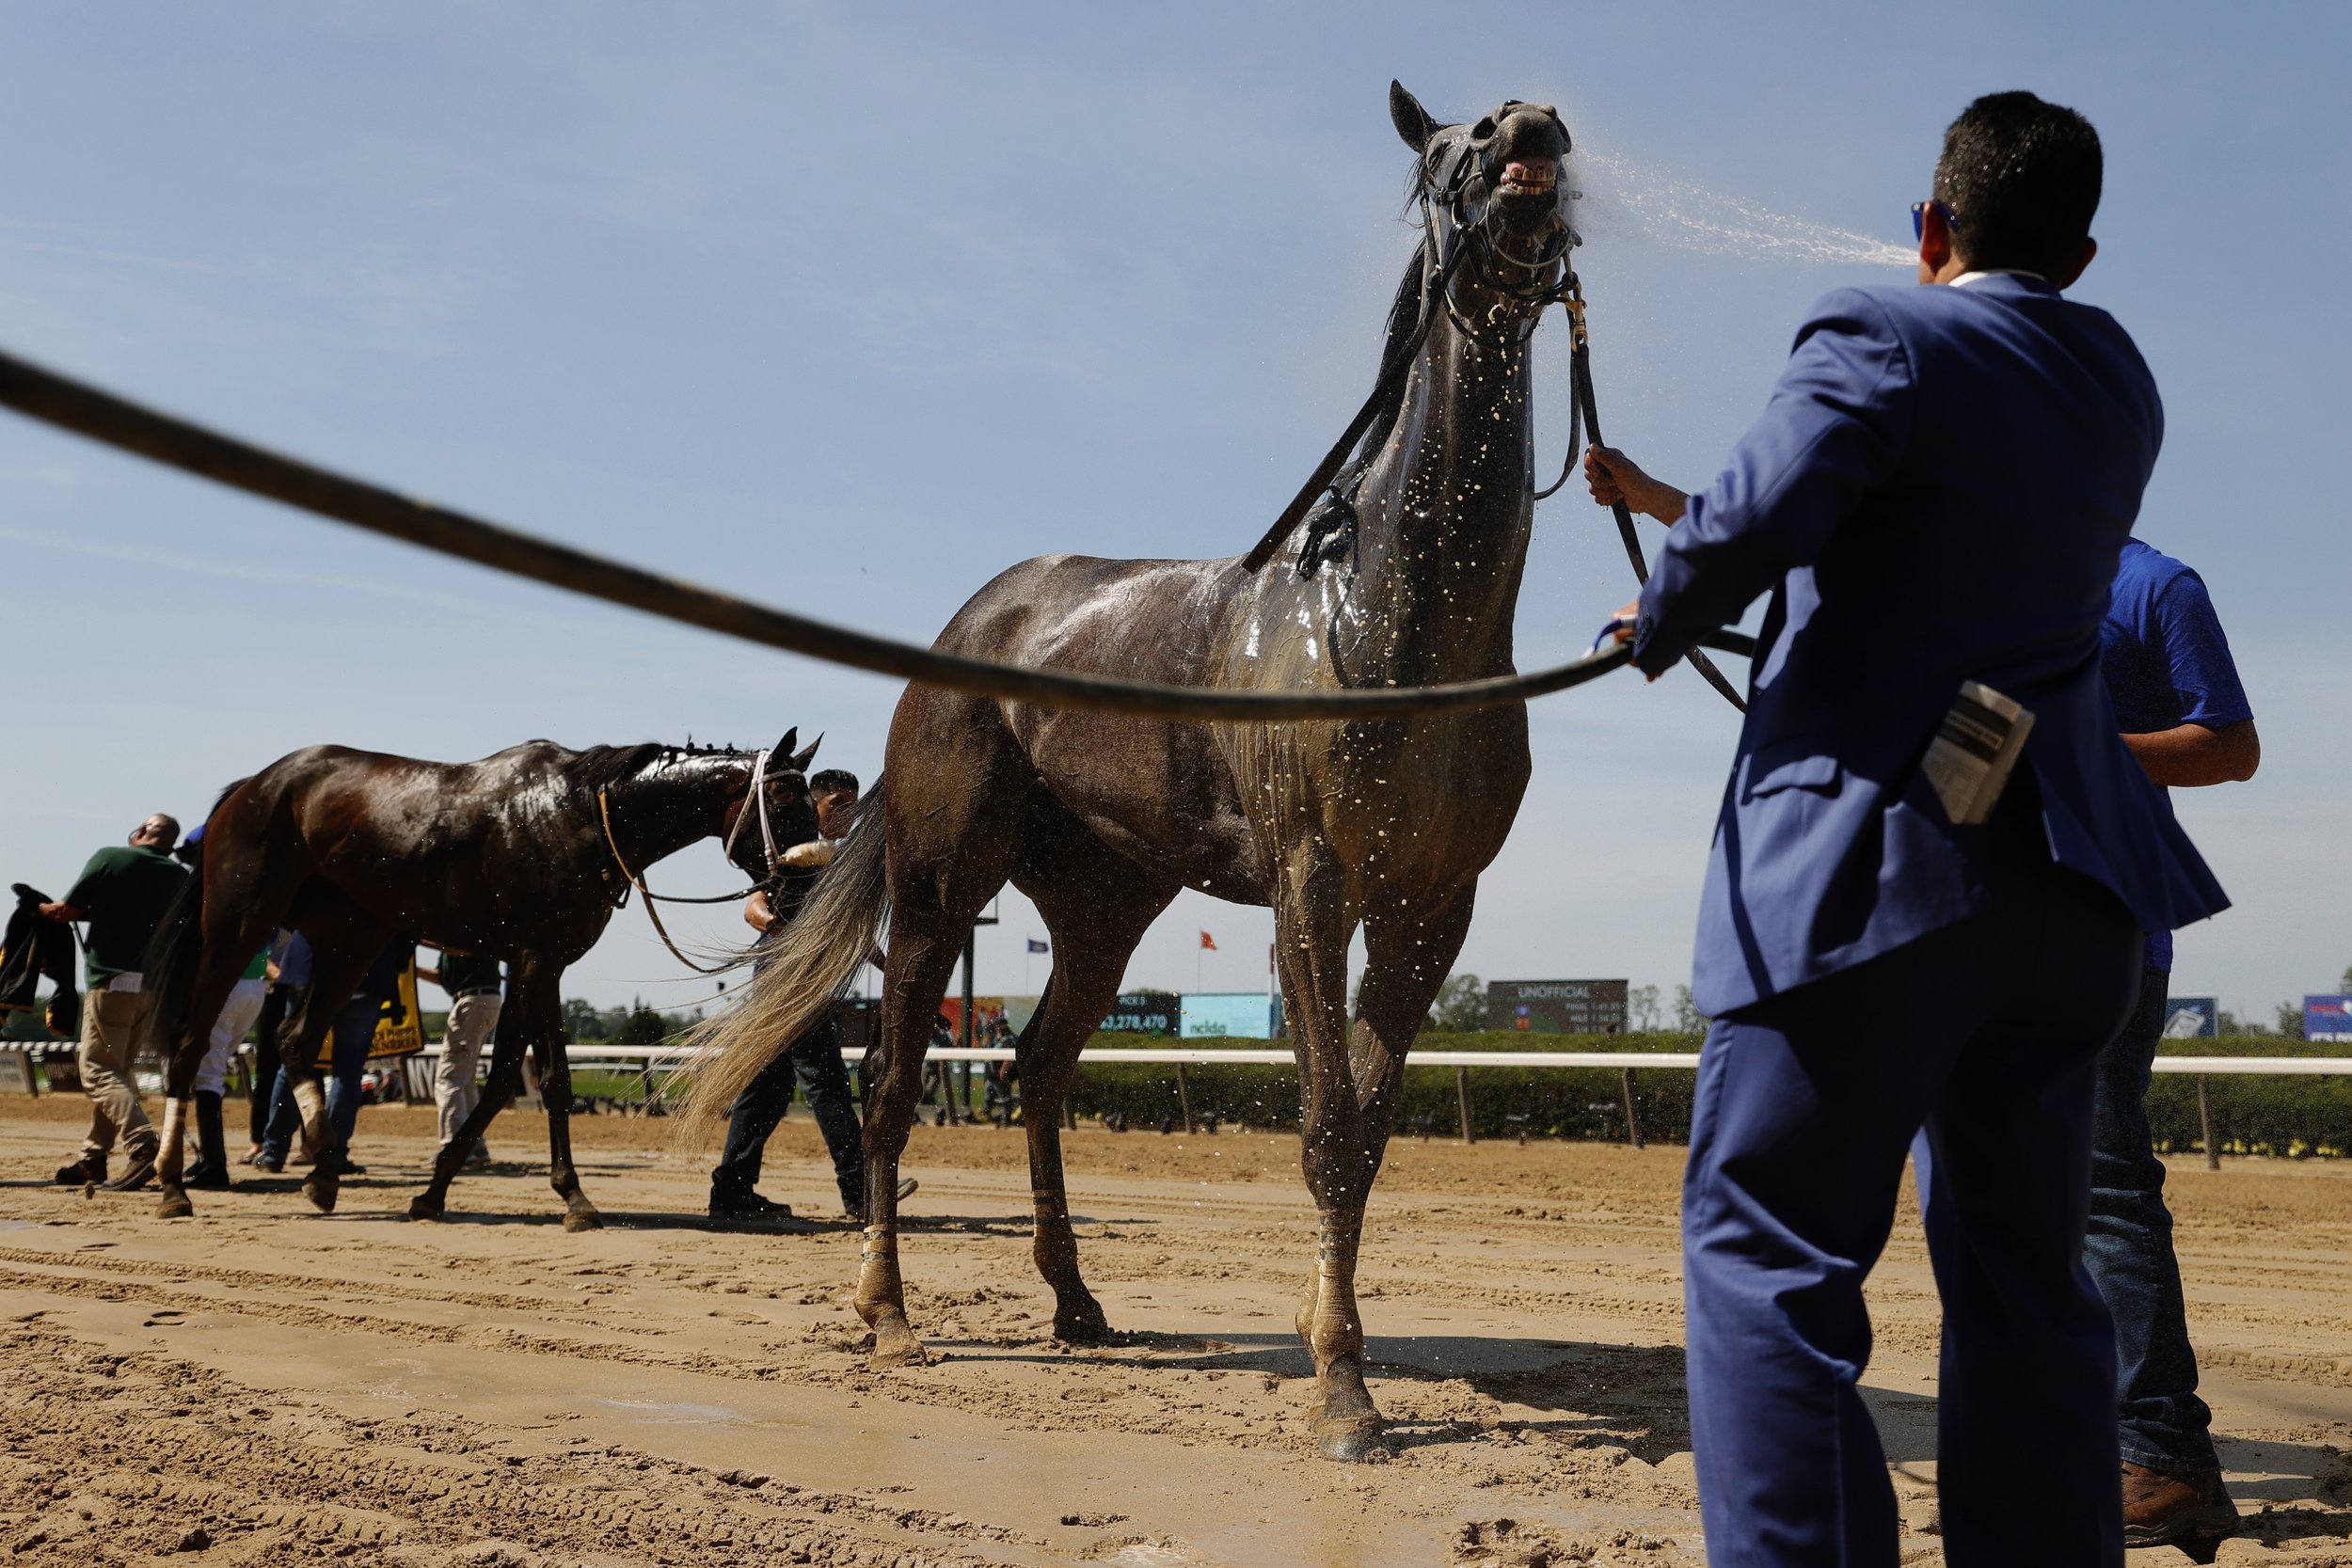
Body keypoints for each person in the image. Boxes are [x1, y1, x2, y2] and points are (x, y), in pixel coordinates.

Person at [1584, 93, 2225, 1565]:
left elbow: (1753, 518)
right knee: (2027, 1281)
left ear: (1931, 228)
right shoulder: (2119, 375)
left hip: (1875, 884)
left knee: (1768, 1256)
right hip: (2066, 898)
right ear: (2080, 250)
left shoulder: (1882, 331)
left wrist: (1659, 608)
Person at [2087, 539, 2258, 1548]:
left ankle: (2164, 1457)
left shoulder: (2157, 586)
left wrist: (2083, 750)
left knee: (2101, 1193)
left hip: (2104, 926)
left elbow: (2230, 747)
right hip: (1977, 928)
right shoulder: (1977, 571)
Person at [709, 769, 914, 1220]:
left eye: (853, 803)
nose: (846, 812)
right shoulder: (792, 852)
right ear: (813, 807)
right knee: (828, 1085)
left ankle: (731, 1192)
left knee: (766, 1092)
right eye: (836, 802)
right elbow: (753, 907)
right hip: (787, 983)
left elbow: (855, 936)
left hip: (799, 983)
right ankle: (861, 1192)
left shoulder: (838, 861)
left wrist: (892, 971)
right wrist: (781, 929)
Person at [42, 813, 186, 1192]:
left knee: (97, 1071)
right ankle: (93, 1159)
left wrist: (39, 910)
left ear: (139, 833)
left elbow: (67, 912)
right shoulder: (179, 877)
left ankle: (142, 1146)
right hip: (152, 991)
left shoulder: (110, 858)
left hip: (111, 984)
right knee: (116, 1073)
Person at [256, 933, 414, 1176]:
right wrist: (398, 962)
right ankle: (335, 1153)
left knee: (293, 1064)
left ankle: (273, 1153)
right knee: (348, 1072)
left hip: (308, 970)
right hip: (366, 974)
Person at [419, 942, 502, 1167]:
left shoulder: (461, 928)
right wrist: (413, 969)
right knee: (464, 1080)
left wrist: (416, 937)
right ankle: (475, 1145)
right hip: (483, 999)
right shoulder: (459, 933)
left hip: (472, 1002)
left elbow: (461, 948)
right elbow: (445, 977)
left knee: (449, 1079)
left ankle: (455, 1148)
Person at [245, 927, 306, 1163]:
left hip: (300, 991)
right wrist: (275, 970)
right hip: (274, 991)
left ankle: (308, 1145)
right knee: (266, 1070)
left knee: (306, 1067)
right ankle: (257, 1142)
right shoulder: (275, 916)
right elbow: (258, 949)